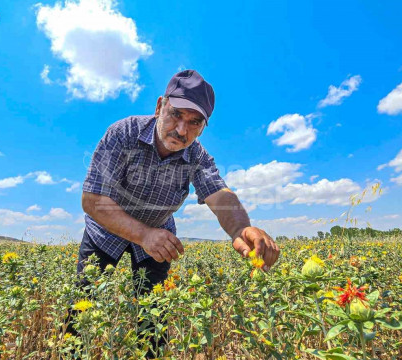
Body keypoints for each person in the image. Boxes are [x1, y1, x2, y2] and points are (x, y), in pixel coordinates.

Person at [66, 69, 280, 357]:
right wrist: (142, 234)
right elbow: (93, 200)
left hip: (158, 236)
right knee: (81, 309)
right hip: (105, 233)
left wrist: (242, 230)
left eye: (194, 123)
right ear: (159, 107)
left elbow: (220, 195)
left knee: (154, 318)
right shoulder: (123, 133)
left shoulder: (197, 157)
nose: (182, 130)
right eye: (176, 114)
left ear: (203, 127)